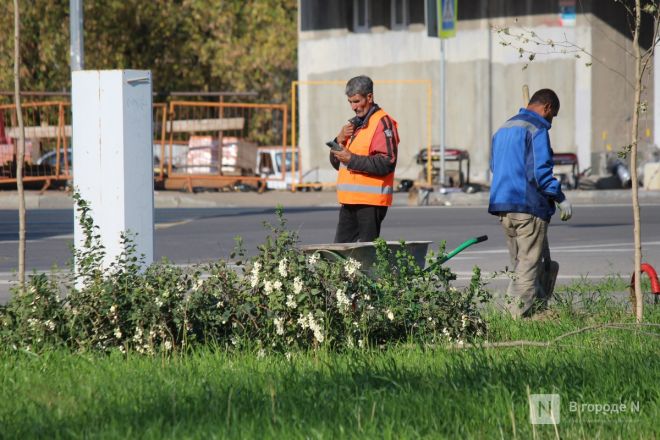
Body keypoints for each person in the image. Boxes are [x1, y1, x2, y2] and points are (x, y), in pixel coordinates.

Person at [488, 88, 573, 318]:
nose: (551, 122)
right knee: (528, 267)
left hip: (503, 207)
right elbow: (540, 174)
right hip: (528, 207)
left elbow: (494, 167)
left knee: (520, 265)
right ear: (547, 108)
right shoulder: (537, 130)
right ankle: (512, 319)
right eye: (552, 115)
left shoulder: (503, 129)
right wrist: (560, 198)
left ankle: (535, 313)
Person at [329, 75, 399, 243]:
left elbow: (387, 162)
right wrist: (338, 140)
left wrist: (351, 159)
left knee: (366, 255)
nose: (353, 107)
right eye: (350, 102)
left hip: (370, 203)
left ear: (369, 97)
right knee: (341, 253)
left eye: (356, 101)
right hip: (349, 201)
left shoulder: (382, 123)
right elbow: (336, 164)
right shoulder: (354, 125)